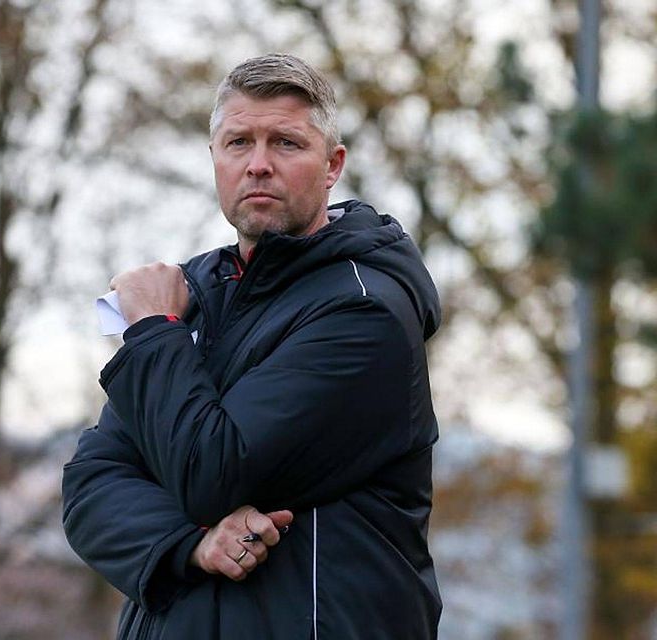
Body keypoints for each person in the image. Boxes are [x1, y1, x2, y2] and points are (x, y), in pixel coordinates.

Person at [62, 53, 443, 639]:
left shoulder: (365, 310)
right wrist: (191, 545)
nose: (258, 165)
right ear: (214, 158)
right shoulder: (200, 295)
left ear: (333, 164)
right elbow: (91, 484)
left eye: (286, 144)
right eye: (238, 142)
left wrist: (153, 329)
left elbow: (213, 471)